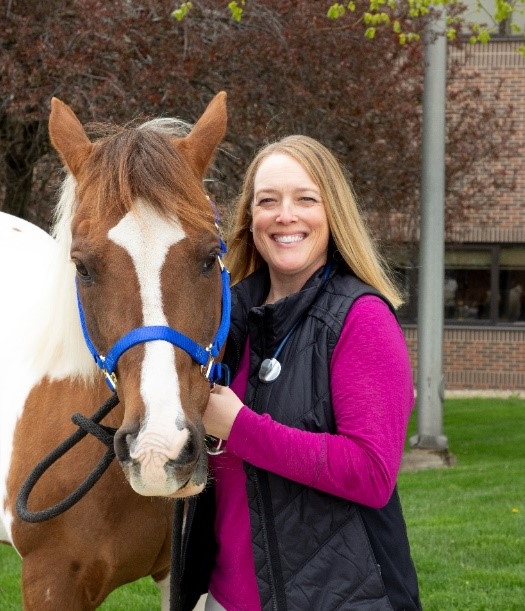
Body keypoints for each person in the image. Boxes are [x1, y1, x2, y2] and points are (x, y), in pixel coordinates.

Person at [172, 136, 420, 610]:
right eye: (268, 201)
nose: (286, 215)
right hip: (224, 599)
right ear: (249, 218)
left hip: (341, 599)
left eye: (305, 199)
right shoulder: (228, 321)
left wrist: (240, 428)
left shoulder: (362, 319)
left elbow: (371, 473)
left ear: (332, 214)